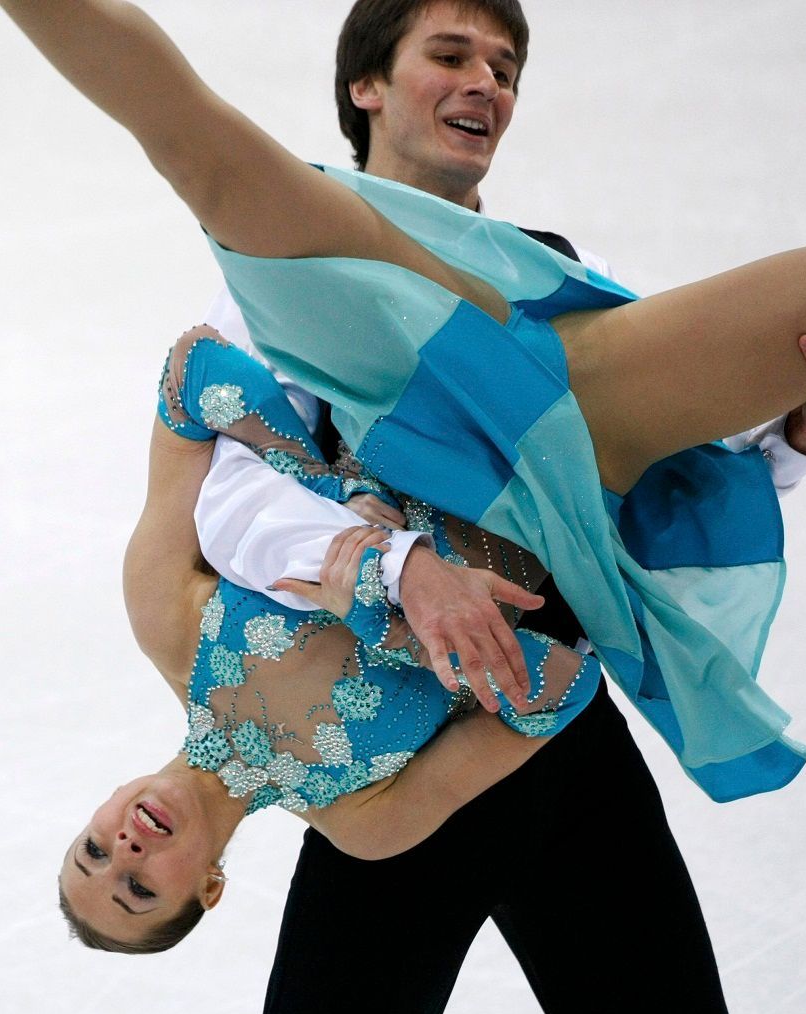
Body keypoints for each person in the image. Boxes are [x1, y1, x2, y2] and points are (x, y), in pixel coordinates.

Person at [2, 0, 806, 1014]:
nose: (484, 84)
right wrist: (803, 435)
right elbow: (583, 621)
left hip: (445, 360)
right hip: (528, 510)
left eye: (500, 67)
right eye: (450, 56)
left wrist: (380, 557)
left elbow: (197, 397)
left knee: (196, 146)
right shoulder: (361, 817)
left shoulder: (174, 599)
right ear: (366, 86)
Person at [59, 324, 604, 955]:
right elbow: (566, 682)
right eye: (138, 888)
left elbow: (193, 369)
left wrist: (339, 498)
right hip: (571, 452)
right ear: (209, 890)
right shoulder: (368, 821)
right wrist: (392, 622)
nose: (124, 851)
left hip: (437, 359)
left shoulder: (163, 619)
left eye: (93, 850)